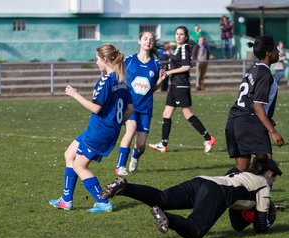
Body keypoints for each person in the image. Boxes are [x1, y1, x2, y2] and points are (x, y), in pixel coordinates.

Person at [100, 154, 282, 238]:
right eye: (274, 177)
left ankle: (125, 187)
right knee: (194, 231)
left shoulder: (240, 173)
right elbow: (260, 228)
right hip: (216, 191)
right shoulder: (264, 186)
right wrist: (268, 221)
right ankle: (167, 218)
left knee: (162, 197)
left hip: (202, 181)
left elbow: (236, 225)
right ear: (270, 174)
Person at [48, 43, 133, 213]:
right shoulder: (121, 79)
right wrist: (117, 123)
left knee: (80, 166)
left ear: (106, 59)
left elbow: (96, 108)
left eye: (97, 59)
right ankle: (66, 199)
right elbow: (130, 108)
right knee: (69, 154)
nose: (96, 62)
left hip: (99, 131)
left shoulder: (106, 80)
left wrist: (75, 95)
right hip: (104, 129)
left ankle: (103, 202)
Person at [149, 26, 216, 154]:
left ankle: (209, 138)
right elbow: (177, 64)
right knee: (166, 114)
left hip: (181, 86)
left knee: (187, 114)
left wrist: (169, 71)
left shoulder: (184, 48)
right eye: (177, 34)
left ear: (186, 37)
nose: (179, 36)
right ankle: (163, 144)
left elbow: (186, 66)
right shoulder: (178, 49)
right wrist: (168, 67)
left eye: (181, 34)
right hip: (174, 86)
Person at [225, 35, 284, 174]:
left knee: (241, 169)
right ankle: (261, 196)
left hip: (235, 120)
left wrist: (268, 119)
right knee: (267, 168)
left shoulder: (253, 68)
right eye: (276, 49)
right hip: (249, 121)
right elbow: (257, 106)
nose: (278, 52)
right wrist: (273, 132)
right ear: (269, 53)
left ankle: (221, 190)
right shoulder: (264, 73)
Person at [114, 32, 167, 175]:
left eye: (151, 40)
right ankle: (120, 166)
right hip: (130, 106)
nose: (148, 42)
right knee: (131, 129)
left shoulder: (156, 64)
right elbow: (118, 76)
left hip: (145, 108)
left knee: (141, 145)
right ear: (139, 41)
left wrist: (160, 81)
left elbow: (152, 88)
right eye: (145, 39)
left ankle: (135, 156)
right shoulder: (129, 60)